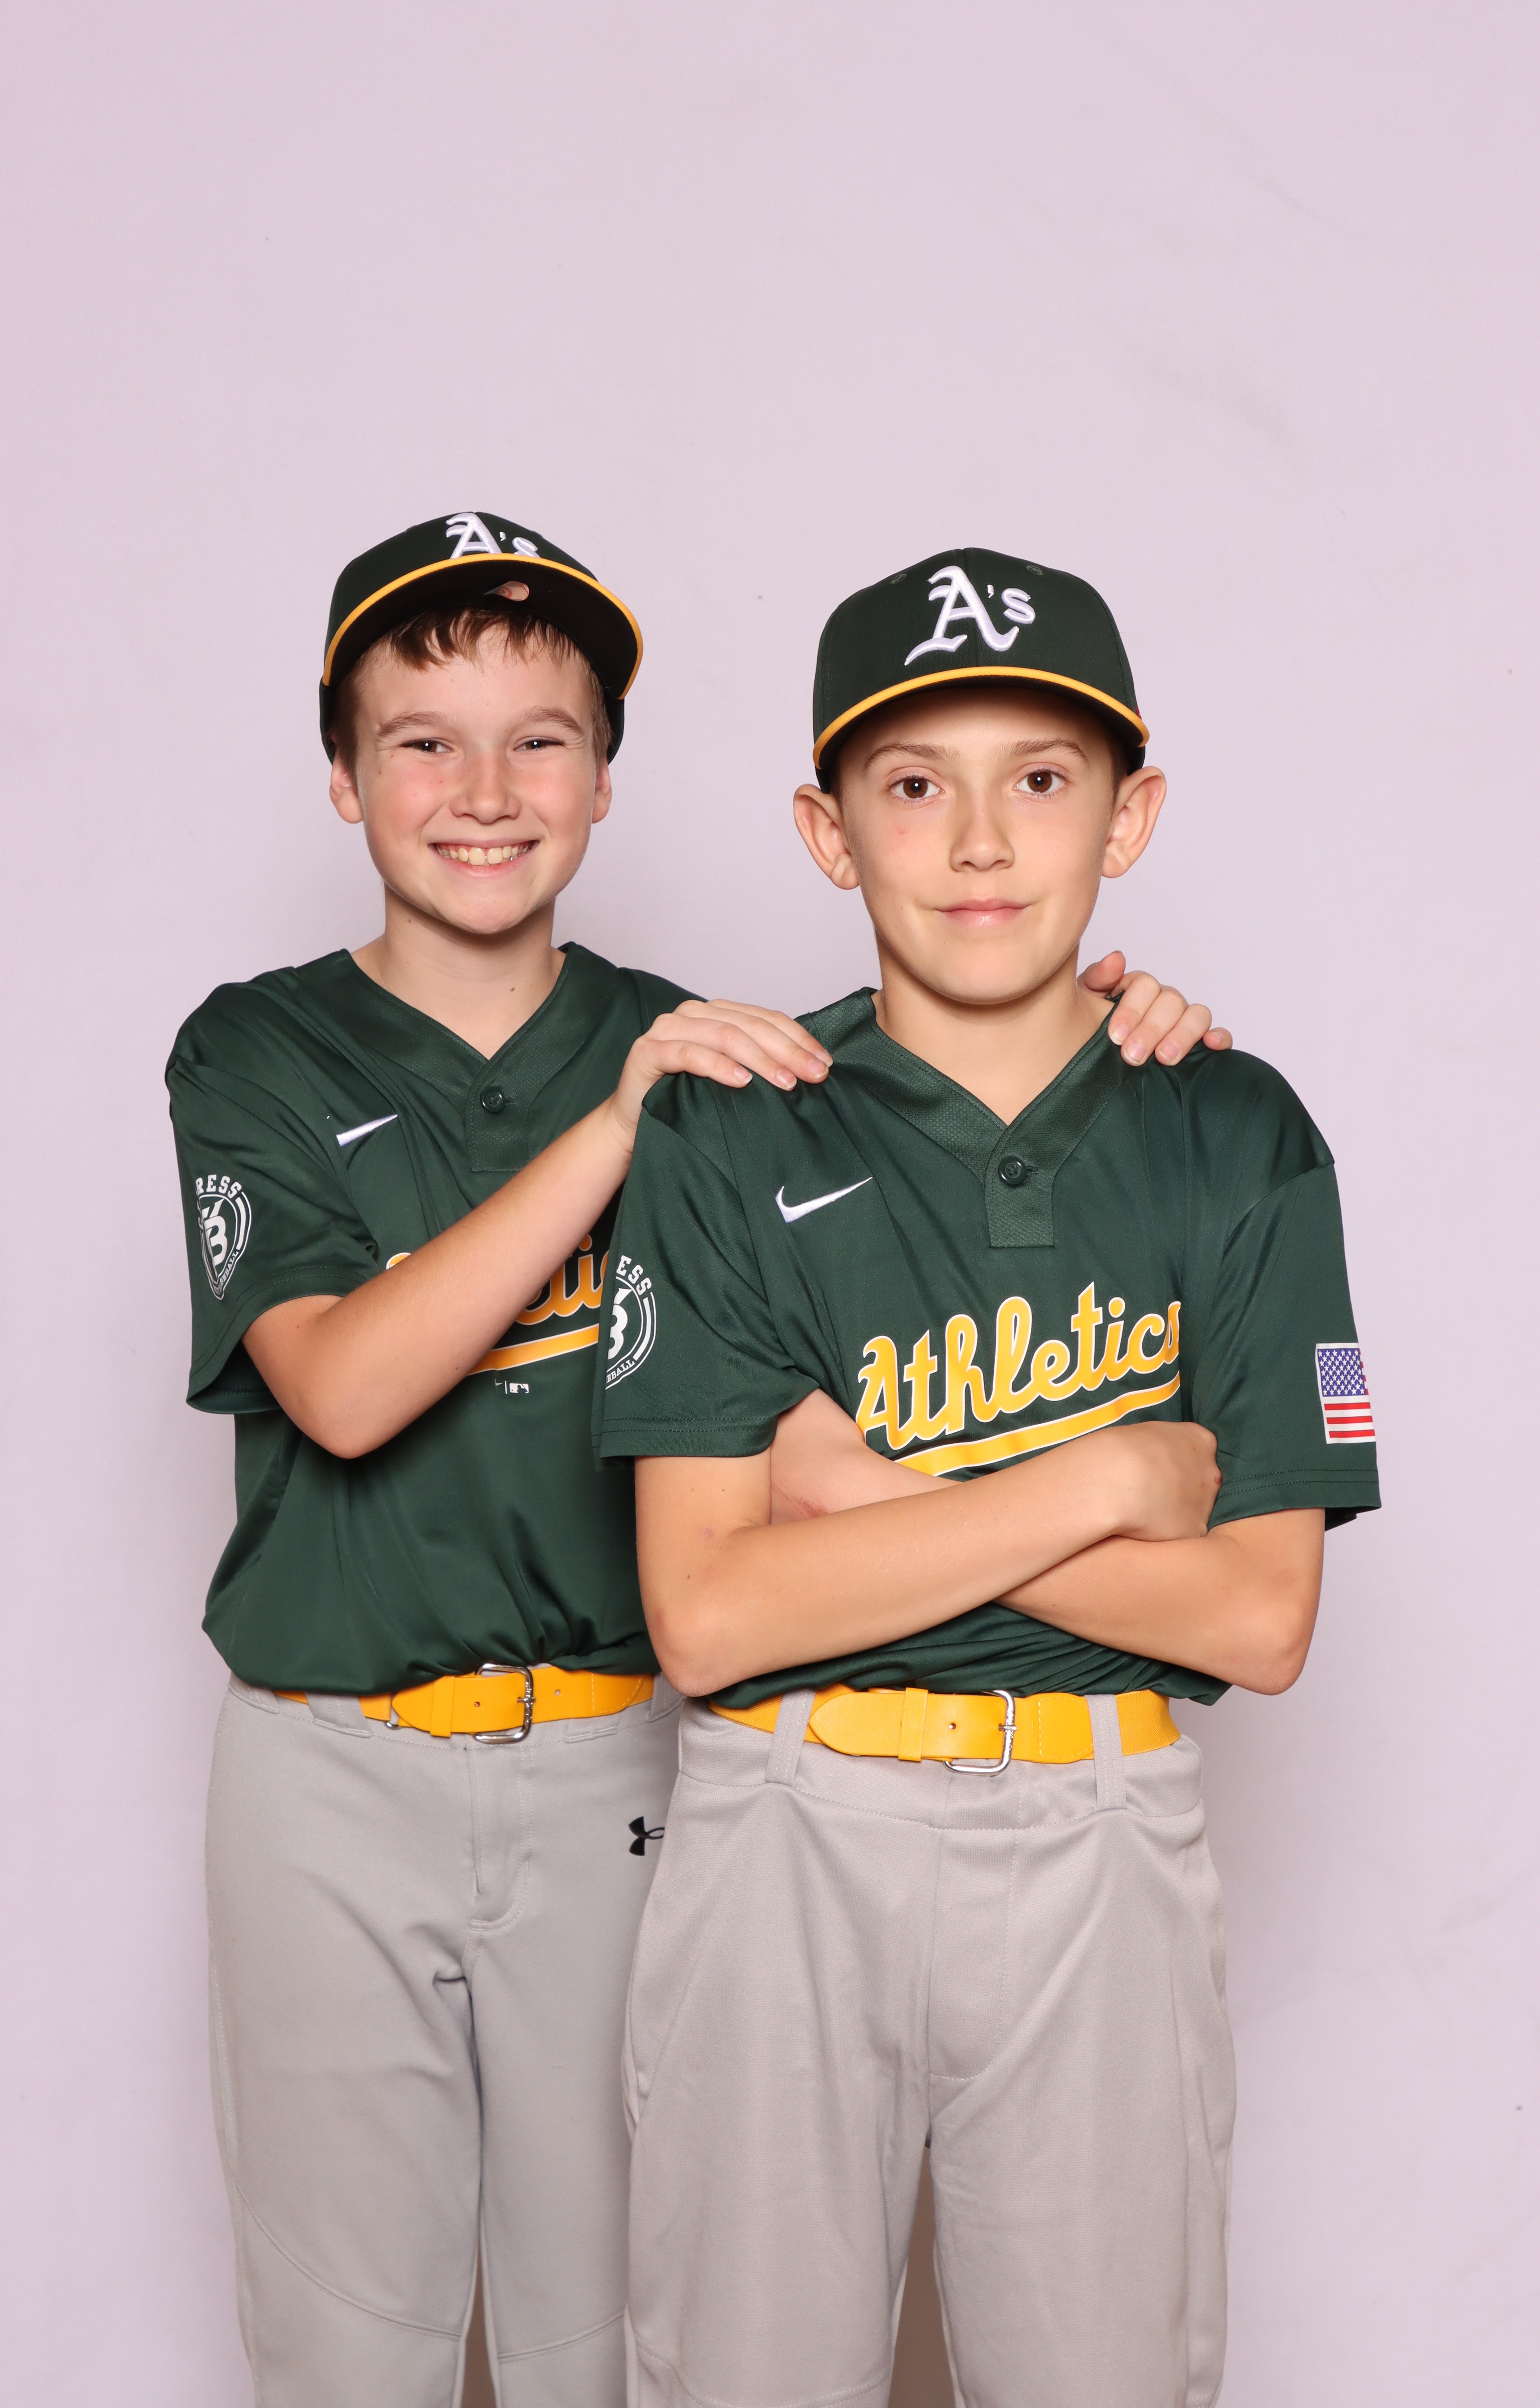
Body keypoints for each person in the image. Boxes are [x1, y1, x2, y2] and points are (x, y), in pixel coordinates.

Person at [167, 510, 1228, 2408]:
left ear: (604, 781)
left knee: (611, 2343)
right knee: (343, 2350)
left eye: (542, 741)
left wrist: (1113, 1025)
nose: (484, 793)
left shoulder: (708, 1055)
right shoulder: (265, 1049)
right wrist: (613, 1128)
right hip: (326, 1763)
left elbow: (837, 1407)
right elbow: (339, 1391)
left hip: (620, 1762)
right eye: (421, 742)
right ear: (341, 776)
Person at [597, 545, 1379, 2408]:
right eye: (911, 784)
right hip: (786, 1823)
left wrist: (862, 1502)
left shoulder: (1238, 1129)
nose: (977, 842)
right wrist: (1104, 1478)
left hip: (1102, 1829)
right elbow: (706, 1615)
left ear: (1130, 816)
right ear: (826, 830)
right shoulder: (728, 1123)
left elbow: (1259, 1621)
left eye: (1040, 778)